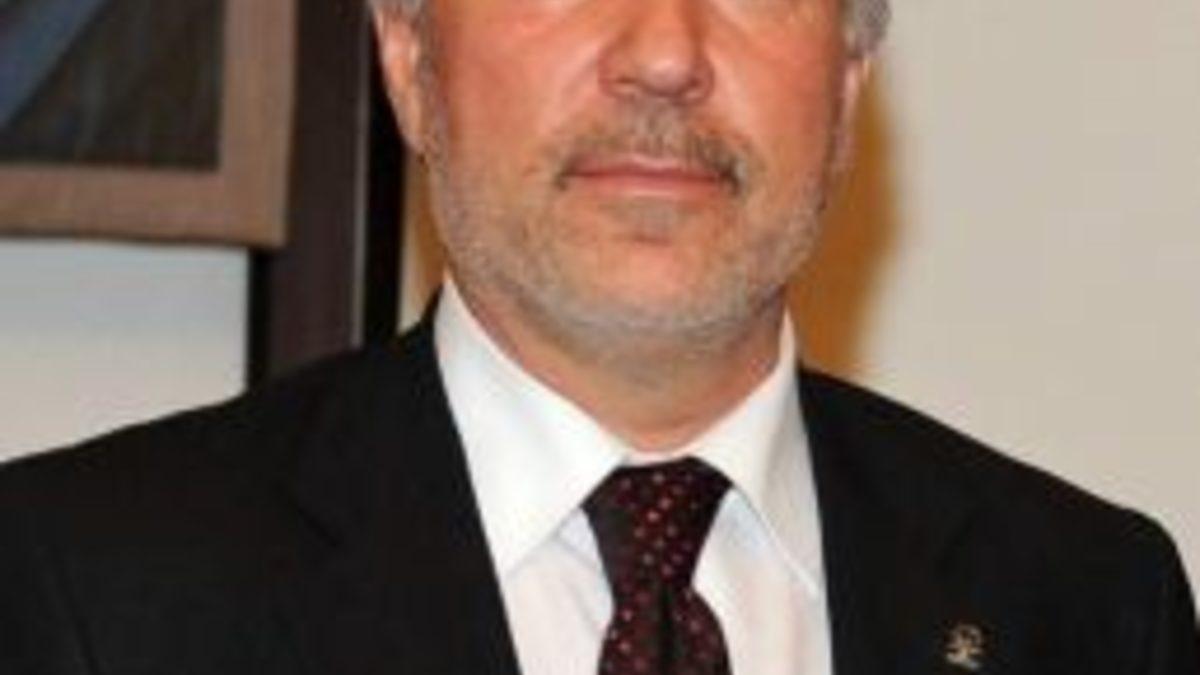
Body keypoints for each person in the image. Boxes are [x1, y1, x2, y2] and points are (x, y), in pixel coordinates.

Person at [1, 0, 1196, 673]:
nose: (665, 56)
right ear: (410, 59)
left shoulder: (1092, 608)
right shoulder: (84, 591)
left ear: (846, 85)